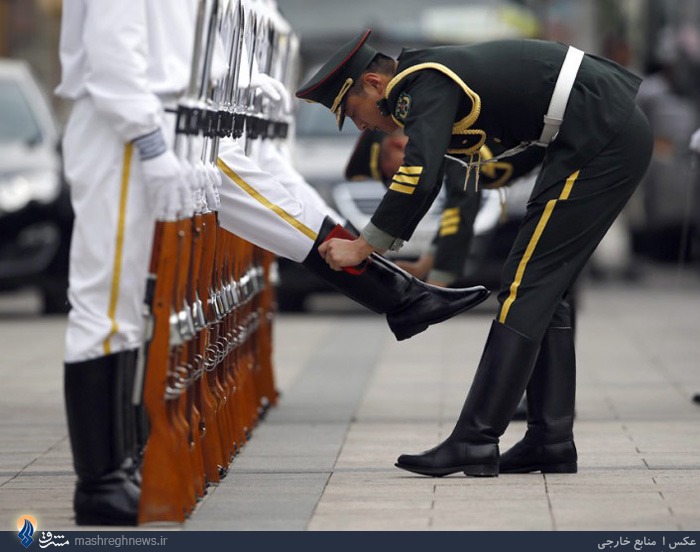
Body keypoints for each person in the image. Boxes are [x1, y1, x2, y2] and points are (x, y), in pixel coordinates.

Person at [56, 2, 490, 526]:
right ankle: (103, 482)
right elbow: (114, 60)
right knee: (110, 306)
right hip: (131, 135)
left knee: (163, 299)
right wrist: (151, 144)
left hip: (188, 132)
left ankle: (120, 468)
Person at [296, 29, 653, 476]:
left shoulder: (418, 82)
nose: (360, 127)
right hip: (598, 130)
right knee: (545, 289)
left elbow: (419, 173)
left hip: (601, 133)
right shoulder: (429, 76)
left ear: (372, 84)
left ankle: (475, 438)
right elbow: (469, 177)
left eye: (351, 112)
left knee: (527, 285)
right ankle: (550, 439)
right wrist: (437, 263)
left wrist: (362, 246)